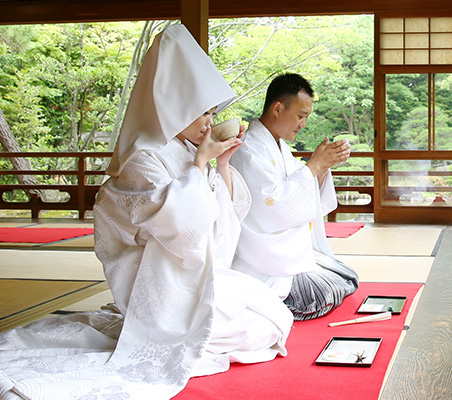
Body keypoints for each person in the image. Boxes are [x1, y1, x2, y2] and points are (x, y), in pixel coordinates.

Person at [0, 24, 292, 400]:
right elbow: (183, 232)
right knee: (251, 328)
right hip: (162, 286)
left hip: (194, 277)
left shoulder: (186, 150)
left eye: (211, 112)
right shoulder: (144, 159)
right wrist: (201, 164)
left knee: (272, 316)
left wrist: (218, 167)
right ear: (174, 108)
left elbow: (222, 223)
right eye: (201, 112)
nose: (209, 121)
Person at [229, 73, 359, 321]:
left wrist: (322, 166)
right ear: (278, 108)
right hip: (262, 262)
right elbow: (273, 206)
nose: (303, 124)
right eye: (301, 116)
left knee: (347, 276)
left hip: (285, 253)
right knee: (328, 291)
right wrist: (314, 165)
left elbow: (305, 190)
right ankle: (271, 305)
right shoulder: (248, 149)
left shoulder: (277, 146)